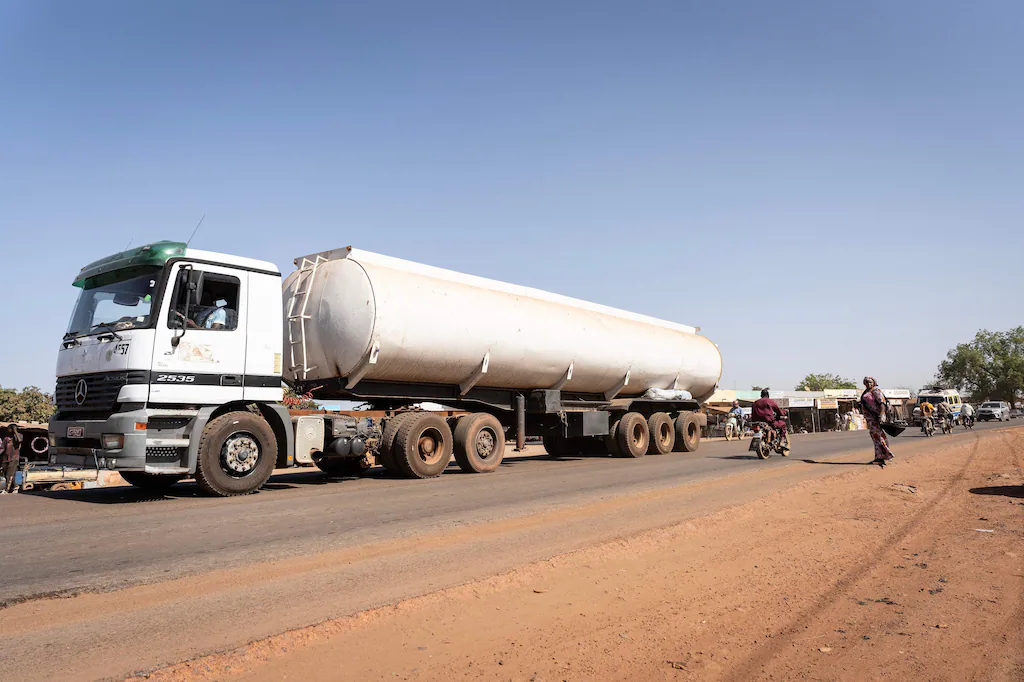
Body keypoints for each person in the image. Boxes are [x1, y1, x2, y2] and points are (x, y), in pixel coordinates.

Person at [860, 377, 894, 467]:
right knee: (876, 437)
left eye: (870, 382)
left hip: (876, 417)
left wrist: (881, 415)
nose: (868, 384)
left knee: (878, 436)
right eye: (866, 382)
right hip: (870, 419)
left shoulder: (875, 391)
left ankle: (883, 456)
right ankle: (880, 456)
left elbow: (882, 403)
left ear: (874, 382)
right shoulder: (866, 392)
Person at [2, 424, 23, 494]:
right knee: (7, 474)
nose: (8, 430)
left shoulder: (18, 436)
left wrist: (15, 431)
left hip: (14, 458)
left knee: (9, 474)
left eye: (9, 428)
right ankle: (15, 487)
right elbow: (2, 448)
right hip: (5, 458)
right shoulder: (6, 438)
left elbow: (19, 440)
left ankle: (6, 490)